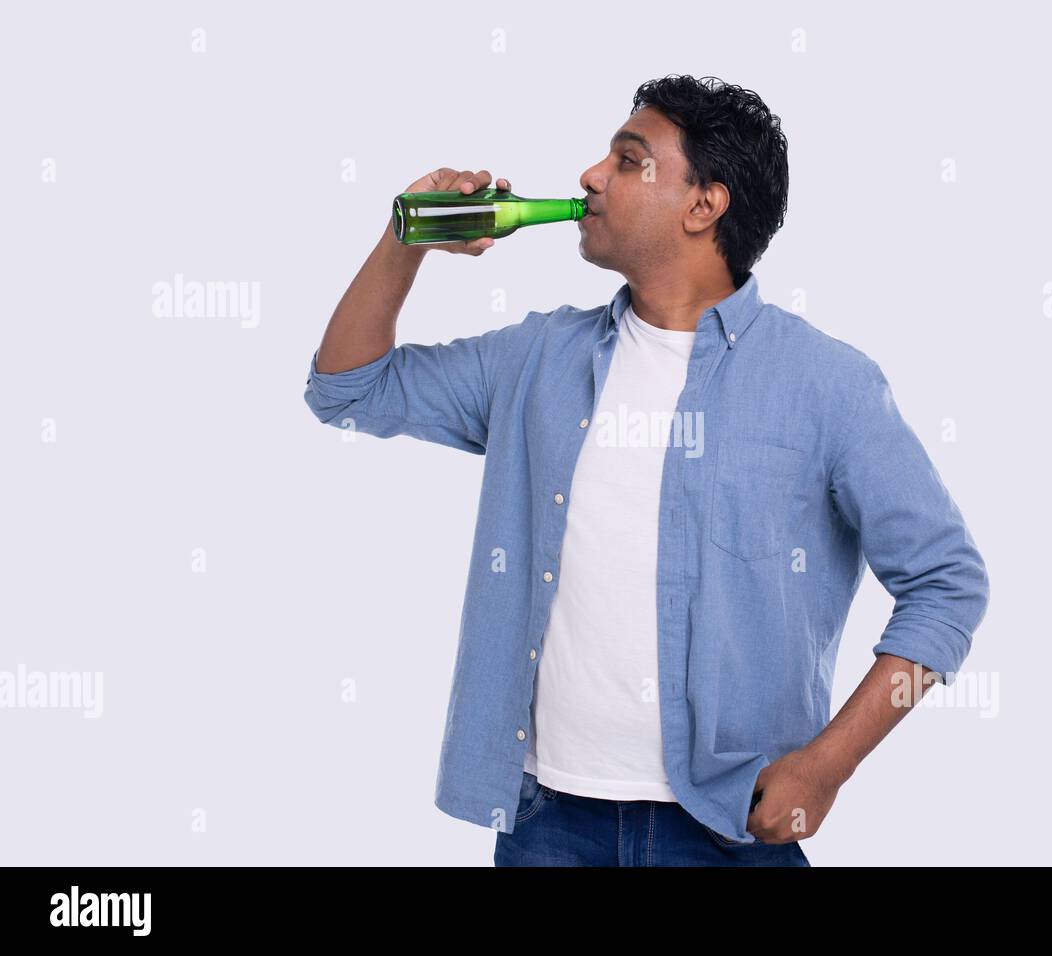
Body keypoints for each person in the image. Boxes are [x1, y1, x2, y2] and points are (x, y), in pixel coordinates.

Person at [303, 75, 990, 867]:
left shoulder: (827, 384)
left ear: (704, 207)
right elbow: (346, 390)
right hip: (546, 828)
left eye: (629, 161)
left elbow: (949, 586)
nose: (591, 176)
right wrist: (405, 238)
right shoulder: (536, 360)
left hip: (733, 831)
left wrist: (830, 765)